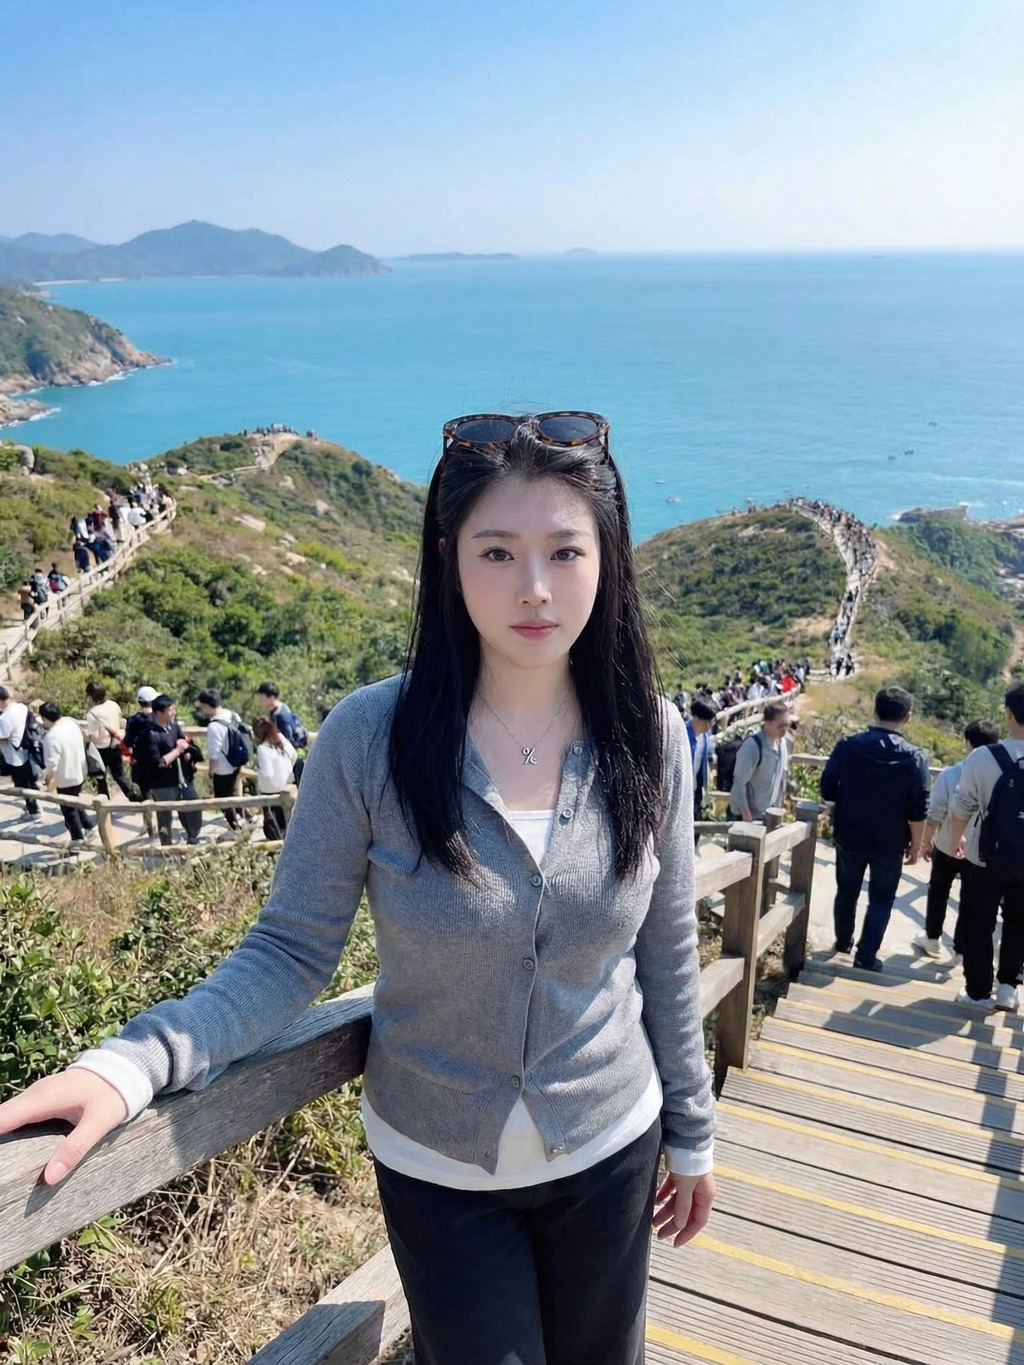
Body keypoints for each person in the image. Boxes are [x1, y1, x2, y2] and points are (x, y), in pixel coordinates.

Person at [0, 410, 715, 1365]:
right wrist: (132, 1066)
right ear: (448, 555)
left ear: (608, 558)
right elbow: (291, 949)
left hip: (612, 1145)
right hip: (438, 1168)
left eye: (565, 551)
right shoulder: (371, 739)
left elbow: (665, 948)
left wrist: (694, 1135)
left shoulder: (651, 736)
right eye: (497, 551)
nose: (535, 588)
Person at [820, 686, 931, 972]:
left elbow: (828, 787)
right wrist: (915, 845)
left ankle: (843, 942)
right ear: (908, 717)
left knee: (847, 891)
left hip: (849, 834)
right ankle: (866, 956)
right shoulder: (915, 758)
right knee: (881, 898)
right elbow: (918, 809)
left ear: (874, 711)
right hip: (890, 842)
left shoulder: (848, 746)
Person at [949, 684, 1024, 1011]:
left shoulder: (982, 757)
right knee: (1020, 923)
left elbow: (962, 805)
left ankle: (978, 992)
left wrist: (955, 840)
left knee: (978, 922)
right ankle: (1008, 987)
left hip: (984, 855)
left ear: (1008, 715)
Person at [912, 718, 999, 961]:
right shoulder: (997, 776)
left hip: (947, 843)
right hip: (978, 850)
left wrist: (926, 842)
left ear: (967, 743)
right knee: (969, 899)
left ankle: (931, 938)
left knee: (938, 890)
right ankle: (960, 947)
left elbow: (936, 813)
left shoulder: (952, 773)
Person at [132, 694, 202, 846]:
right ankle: (166, 847)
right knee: (165, 816)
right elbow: (158, 763)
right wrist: (177, 750)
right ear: (159, 713)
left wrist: (188, 752)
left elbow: (184, 742)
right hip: (162, 783)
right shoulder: (150, 735)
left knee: (193, 806)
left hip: (182, 778)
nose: (174, 713)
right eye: (170, 710)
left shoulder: (174, 726)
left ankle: (193, 838)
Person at [38, 701, 97, 846]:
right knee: (75, 800)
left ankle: (77, 841)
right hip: (80, 770)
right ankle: (89, 827)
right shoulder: (71, 723)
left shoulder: (51, 737)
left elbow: (52, 763)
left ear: (45, 718)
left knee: (69, 812)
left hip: (66, 777)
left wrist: (44, 777)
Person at [727, 701, 791, 823]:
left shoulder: (782, 743)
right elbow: (739, 784)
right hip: (749, 817)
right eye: (780, 726)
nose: (784, 730)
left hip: (771, 815)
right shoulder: (752, 747)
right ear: (767, 723)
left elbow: (782, 776)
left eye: (786, 725)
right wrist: (747, 817)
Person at [198, 687, 247, 832]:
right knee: (232, 794)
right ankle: (249, 818)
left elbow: (214, 755)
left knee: (222, 799)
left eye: (202, 706)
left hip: (223, 769)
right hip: (237, 763)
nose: (202, 710)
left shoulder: (214, 726)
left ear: (207, 705)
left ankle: (236, 828)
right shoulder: (233, 715)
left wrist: (211, 774)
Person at [83, 681, 134, 800]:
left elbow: (95, 736)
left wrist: (85, 733)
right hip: (115, 746)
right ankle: (133, 796)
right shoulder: (113, 705)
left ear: (90, 697)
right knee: (119, 775)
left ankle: (104, 804)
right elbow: (121, 721)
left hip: (100, 750)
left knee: (100, 777)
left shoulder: (92, 714)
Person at [252, 715, 296, 841]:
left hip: (271, 789)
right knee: (286, 819)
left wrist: (258, 772)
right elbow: (293, 755)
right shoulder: (281, 740)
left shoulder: (263, 749)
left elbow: (267, 773)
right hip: (287, 783)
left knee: (273, 823)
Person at [0, 685, 41, 818]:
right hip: (27, 748)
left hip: (15, 754)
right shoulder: (22, 707)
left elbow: (3, 735)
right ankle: (32, 806)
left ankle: (34, 810)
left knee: (23, 784)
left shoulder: (5, 717)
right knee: (30, 780)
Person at [686, 698, 717, 832]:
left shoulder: (704, 737)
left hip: (696, 789)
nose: (710, 725)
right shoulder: (684, 735)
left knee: (696, 827)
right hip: (684, 788)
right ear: (698, 718)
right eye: (709, 722)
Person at [256, 681, 301, 746]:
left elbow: (289, 740)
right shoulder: (275, 710)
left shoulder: (282, 715)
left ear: (271, 698)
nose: (260, 701)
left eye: (262, 698)